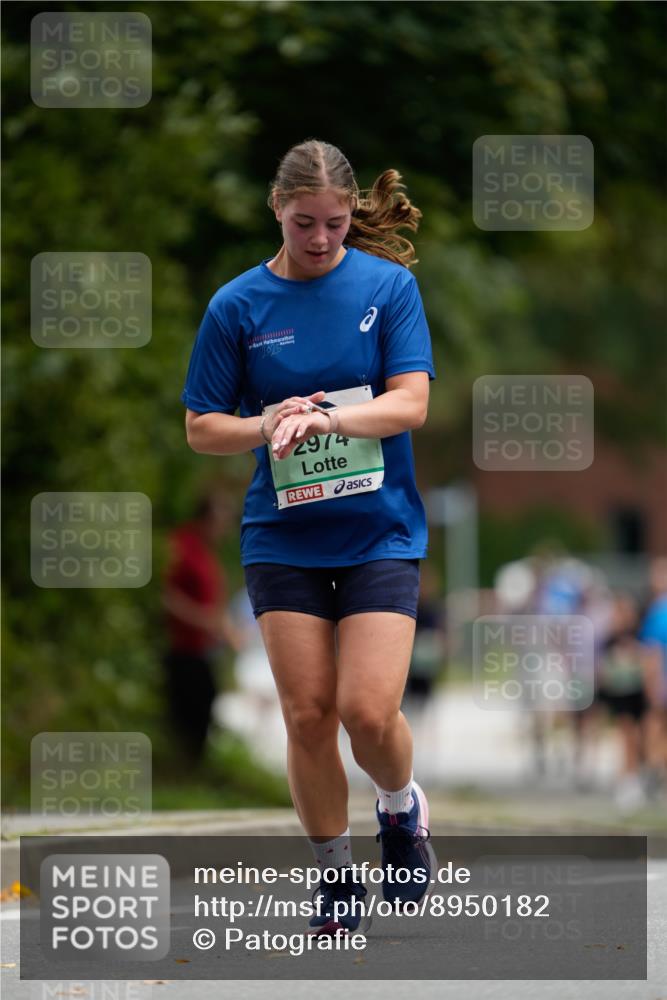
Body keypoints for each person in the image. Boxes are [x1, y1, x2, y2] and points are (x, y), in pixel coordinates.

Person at [182, 138, 437, 934]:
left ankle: (399, 810)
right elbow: (201, 428)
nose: (320, 239)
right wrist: (268, 423)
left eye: (332, 223)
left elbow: (409, 405)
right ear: (276, 212)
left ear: (349, 215)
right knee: (305, 715)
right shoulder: (237, 307)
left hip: (380, 533)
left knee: (366, 710)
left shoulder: (387, 288)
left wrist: (327, 418)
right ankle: (333, 875)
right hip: (283, 537)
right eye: (303, 224)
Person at [162, 491, 242, 768]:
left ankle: (193, 768)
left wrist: (224, 626)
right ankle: (182, 767)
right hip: (180, 646)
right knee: (189, 707)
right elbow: (165, 594)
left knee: (206, 702)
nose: (225, 528)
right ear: (207, 518)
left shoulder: (208, 552)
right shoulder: (181, 545)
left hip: (203, 648)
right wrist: (202, 619)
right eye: (222, 520)